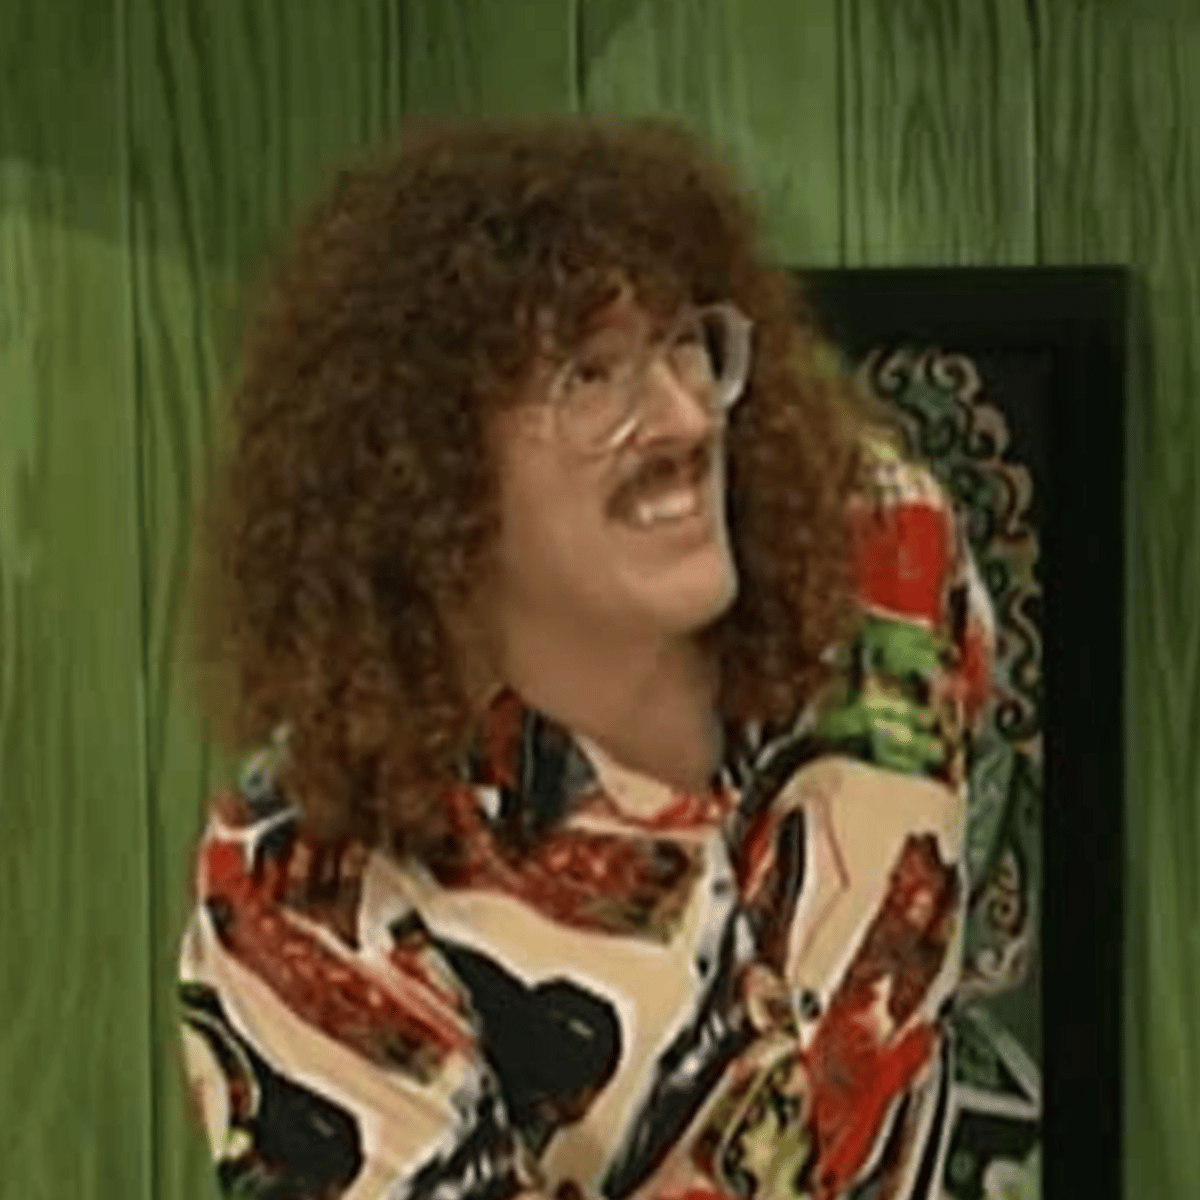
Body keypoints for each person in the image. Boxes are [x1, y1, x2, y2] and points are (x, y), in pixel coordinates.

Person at [179, 115, 995, 1200]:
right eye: (592, 374)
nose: (685, 418)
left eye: (684, 344)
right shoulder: (303, 898)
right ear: (429, 466)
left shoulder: (887, 562)